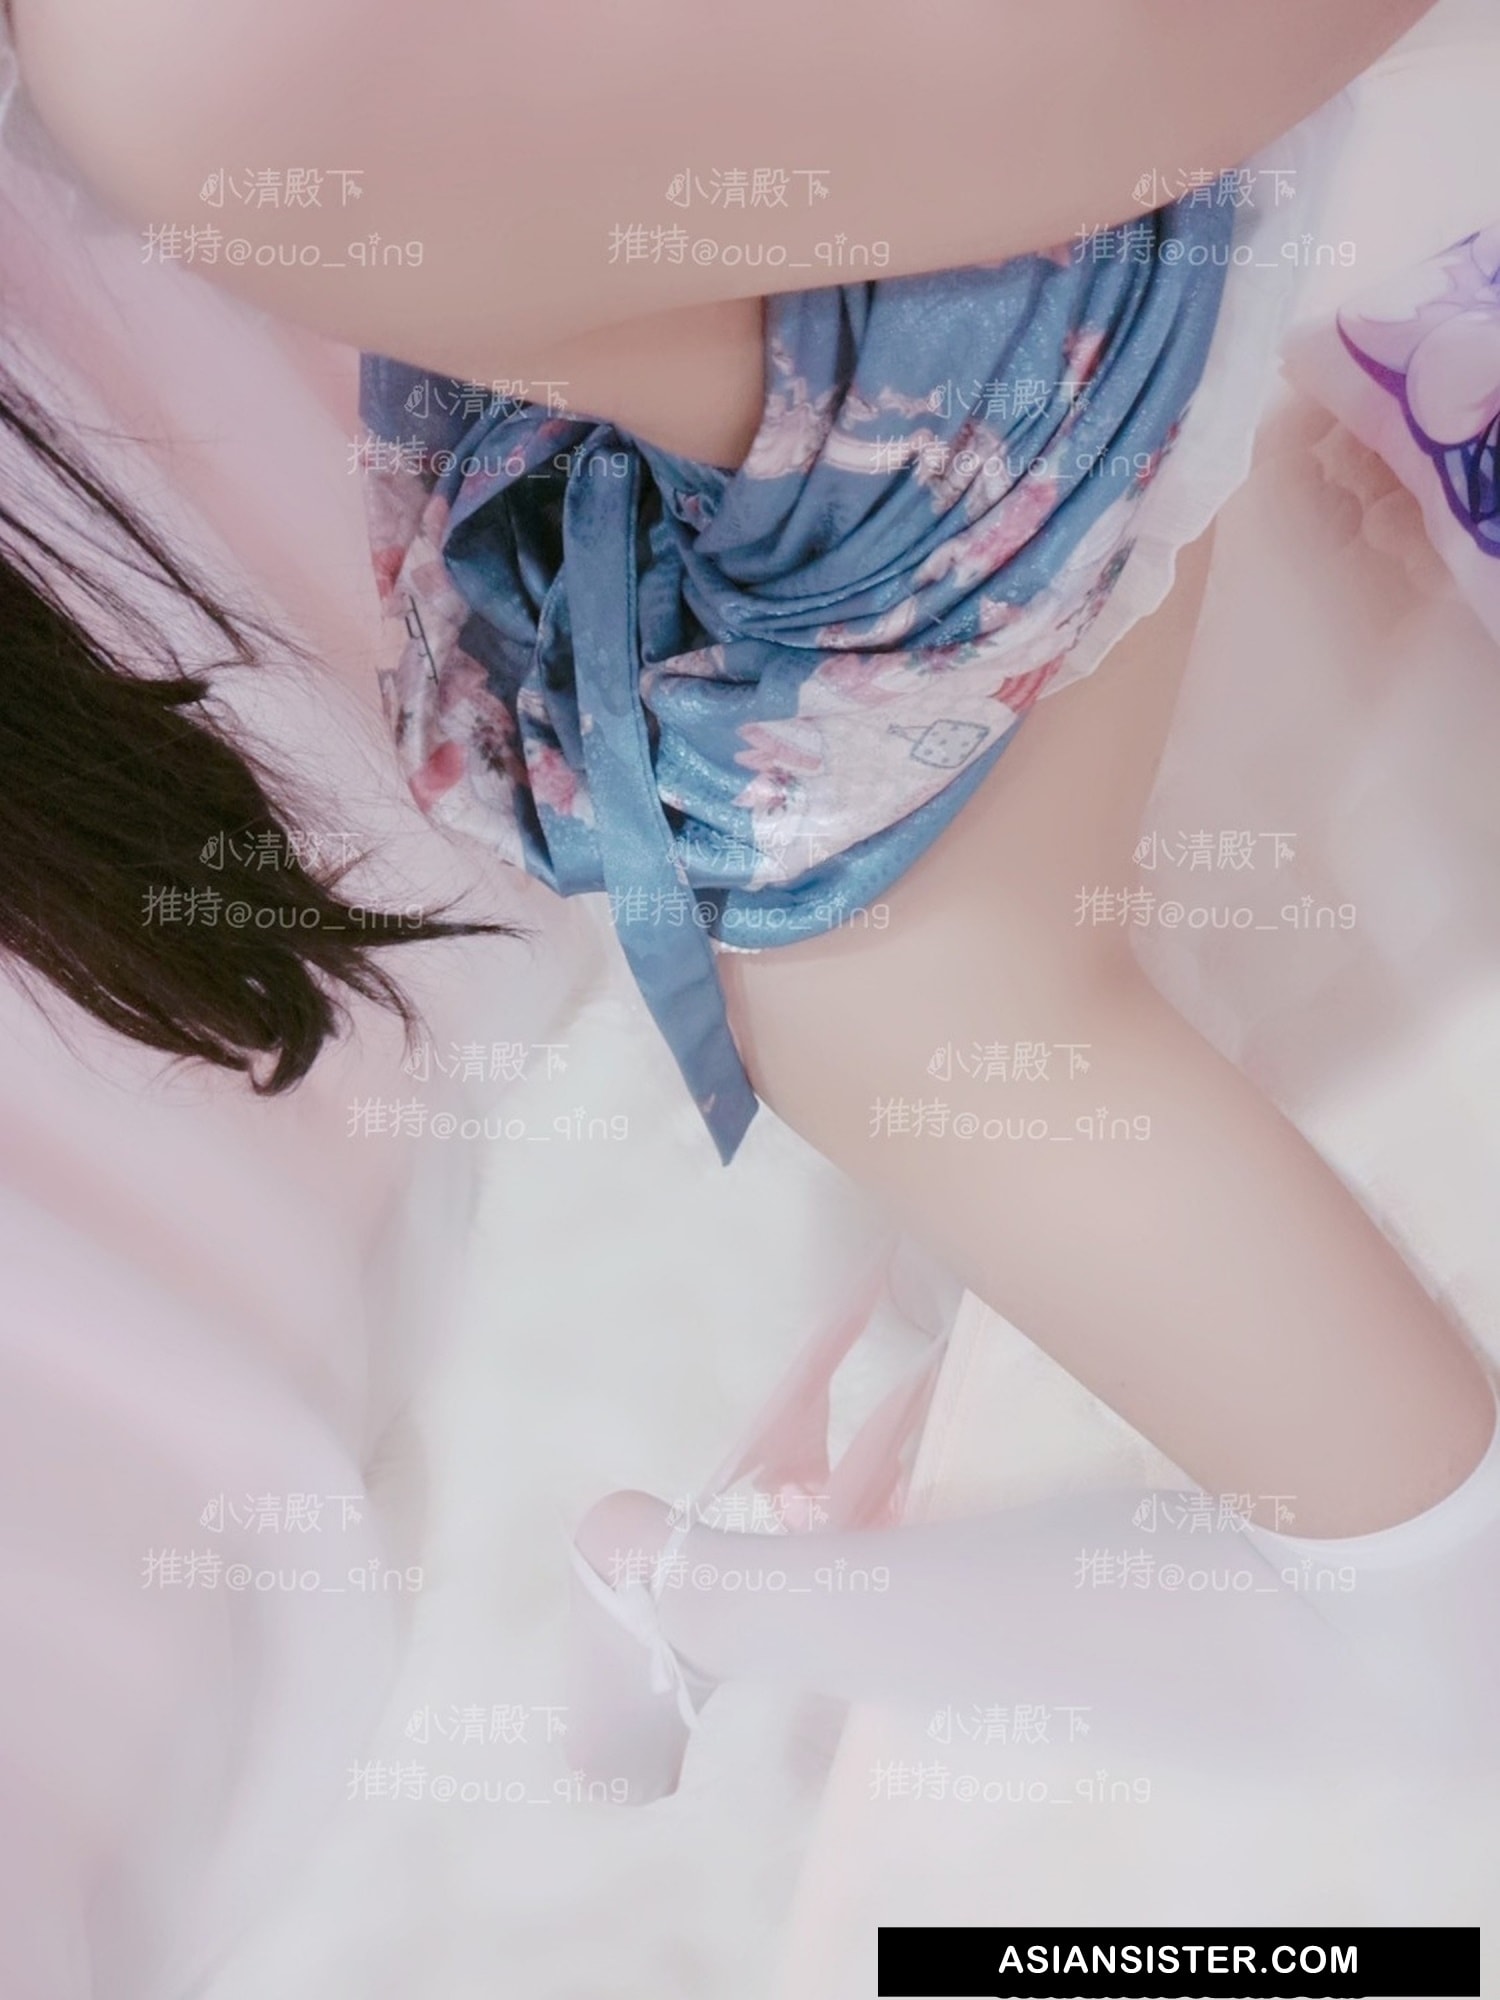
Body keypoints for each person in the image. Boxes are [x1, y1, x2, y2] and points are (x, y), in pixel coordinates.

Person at [5, 0, 1497, 1813]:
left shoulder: (177, 83)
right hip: (943, 345)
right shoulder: (173, 93)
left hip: (1001, 325)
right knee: (928, 1042)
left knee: (919, 1037)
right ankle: (719, 1592)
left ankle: (715, 1595)